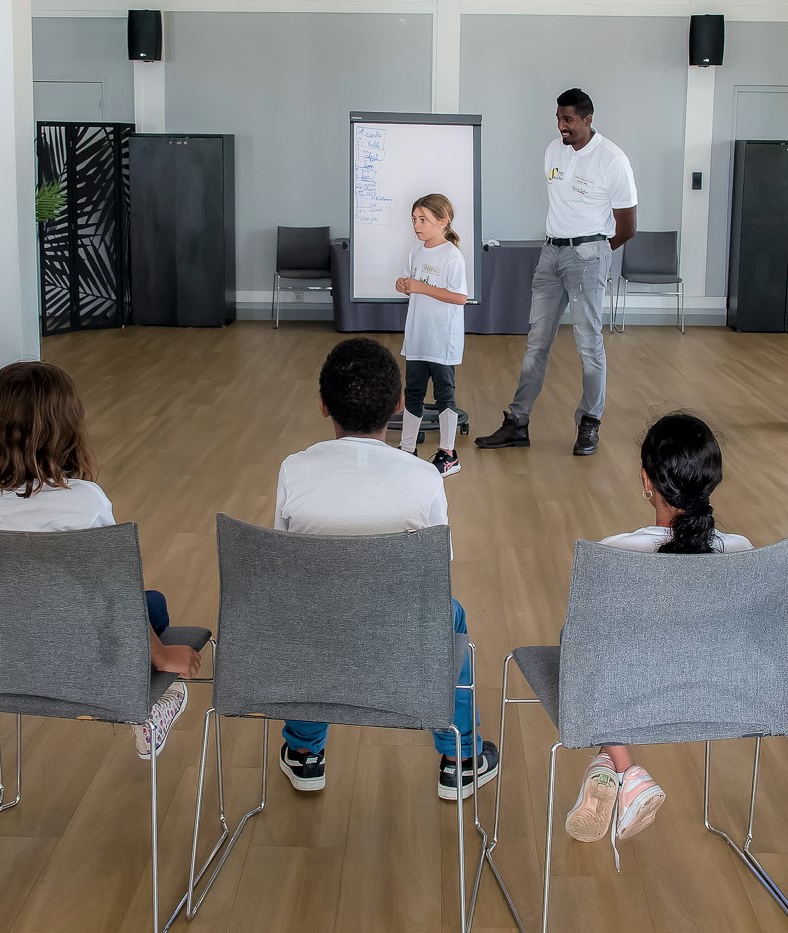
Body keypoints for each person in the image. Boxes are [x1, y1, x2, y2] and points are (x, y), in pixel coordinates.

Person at [275, 338, 499, 799]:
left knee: (299, 615)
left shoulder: (293, 470)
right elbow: (438, 568)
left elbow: (286, 563)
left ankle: (303, 752)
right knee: (449, 616)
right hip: (400, 635)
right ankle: (461, 757)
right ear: (399, 405)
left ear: (322, 405)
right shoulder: (424, 476)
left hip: (319, 632)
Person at [0, 360, 200, 758]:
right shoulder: (83, 502)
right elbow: (118, 593)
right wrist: (162, 653)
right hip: (74, 654)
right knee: (152, 603)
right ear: (66, 427)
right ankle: (144, 704)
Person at [564, 412, 752, 844]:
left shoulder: (614, 553)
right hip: (722, 698)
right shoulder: (742, 552)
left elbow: (584, 650)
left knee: (581, 649)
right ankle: (611, 767)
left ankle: (623, 766)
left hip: (629, 698)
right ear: (711, 481)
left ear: (647, 481)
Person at [476, 88, 637, 457]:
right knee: (536, 342)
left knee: (588, 343)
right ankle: (518, 422)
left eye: (568, 120)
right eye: (558, 119)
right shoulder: (553, 151)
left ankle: (589, 423)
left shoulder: (612, 160)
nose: (562, 127)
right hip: (550, 253)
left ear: (587, 119)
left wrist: (594, 253)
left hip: (588, 254)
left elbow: (626, 226)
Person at [395, 193, 469, 477]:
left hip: (442, 341)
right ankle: (407, 448)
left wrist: (420, 287)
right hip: (417, 338)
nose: (417, 224)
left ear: (443, 221)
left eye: (423, 219)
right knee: (412, 393)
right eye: (414, 219)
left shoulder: (452, 255)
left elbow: (459, 297)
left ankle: (448, 454)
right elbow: (407, 281)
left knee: (443, 395)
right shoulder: (416, 251)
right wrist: (402, 284)